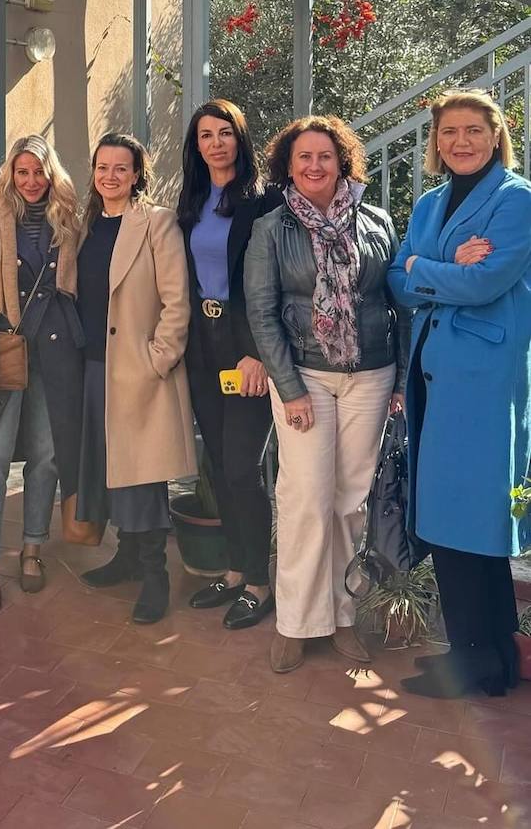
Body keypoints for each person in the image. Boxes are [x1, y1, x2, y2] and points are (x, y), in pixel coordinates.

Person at [245, 115, 405, 674]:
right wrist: (288, 388)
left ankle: (341, 615)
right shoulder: (271, 229)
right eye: (303, 158)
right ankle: (295, 621)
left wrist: (401, 381)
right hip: (305, 377)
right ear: (288, 167)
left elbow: (397, 304)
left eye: (325, 156)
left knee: (349, 501)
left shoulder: (377, 221)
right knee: (305, 498)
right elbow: (263, 316)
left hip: (371, 373)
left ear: (343, 162)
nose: (315, 166)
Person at [388, 89, 531, 699]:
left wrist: (425, 266)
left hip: (483, 377)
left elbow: (485, 281)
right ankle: (494, 654)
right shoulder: (429, 202)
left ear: (495, 135)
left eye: (473, 130)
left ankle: (474, 663)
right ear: (435, 142)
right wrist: (434, 264)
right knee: (458, 513)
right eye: (449, 132)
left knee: (463, 516)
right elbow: (395, 279)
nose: (460, 142)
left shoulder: (516, 199)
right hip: (433, 374)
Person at [0, 135, 84, 610]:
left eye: (39, 172)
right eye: (22, 171)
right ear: (10, 174)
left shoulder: (69, 224)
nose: (31, 181)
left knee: (46, 458)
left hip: (56, 357)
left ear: (52, 174)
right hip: (5, 355)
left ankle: (32, 549)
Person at [75, 132, 195, 624]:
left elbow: (176, 299)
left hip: (137, 368)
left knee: (141, 478)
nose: (110, 176)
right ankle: (125, 556)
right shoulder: (83, 225)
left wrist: (158, 359)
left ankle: (154, 575)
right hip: (93, 366)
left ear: (137, 173)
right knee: (112, 469)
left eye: (120, 168)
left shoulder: (156, 223)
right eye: (102, 167)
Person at [175, 101, 281, 630]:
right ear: (196, 146)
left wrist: (257, 352)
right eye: (205, 136)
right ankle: (237, 571)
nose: (216, 143)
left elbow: (272, 283)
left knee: (242, 469)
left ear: (240, 138)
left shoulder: (265, 201)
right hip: (203, 345)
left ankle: (260, 583)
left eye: (225, 133)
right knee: (218, 466)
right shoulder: (192, 198)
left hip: (246, 348)